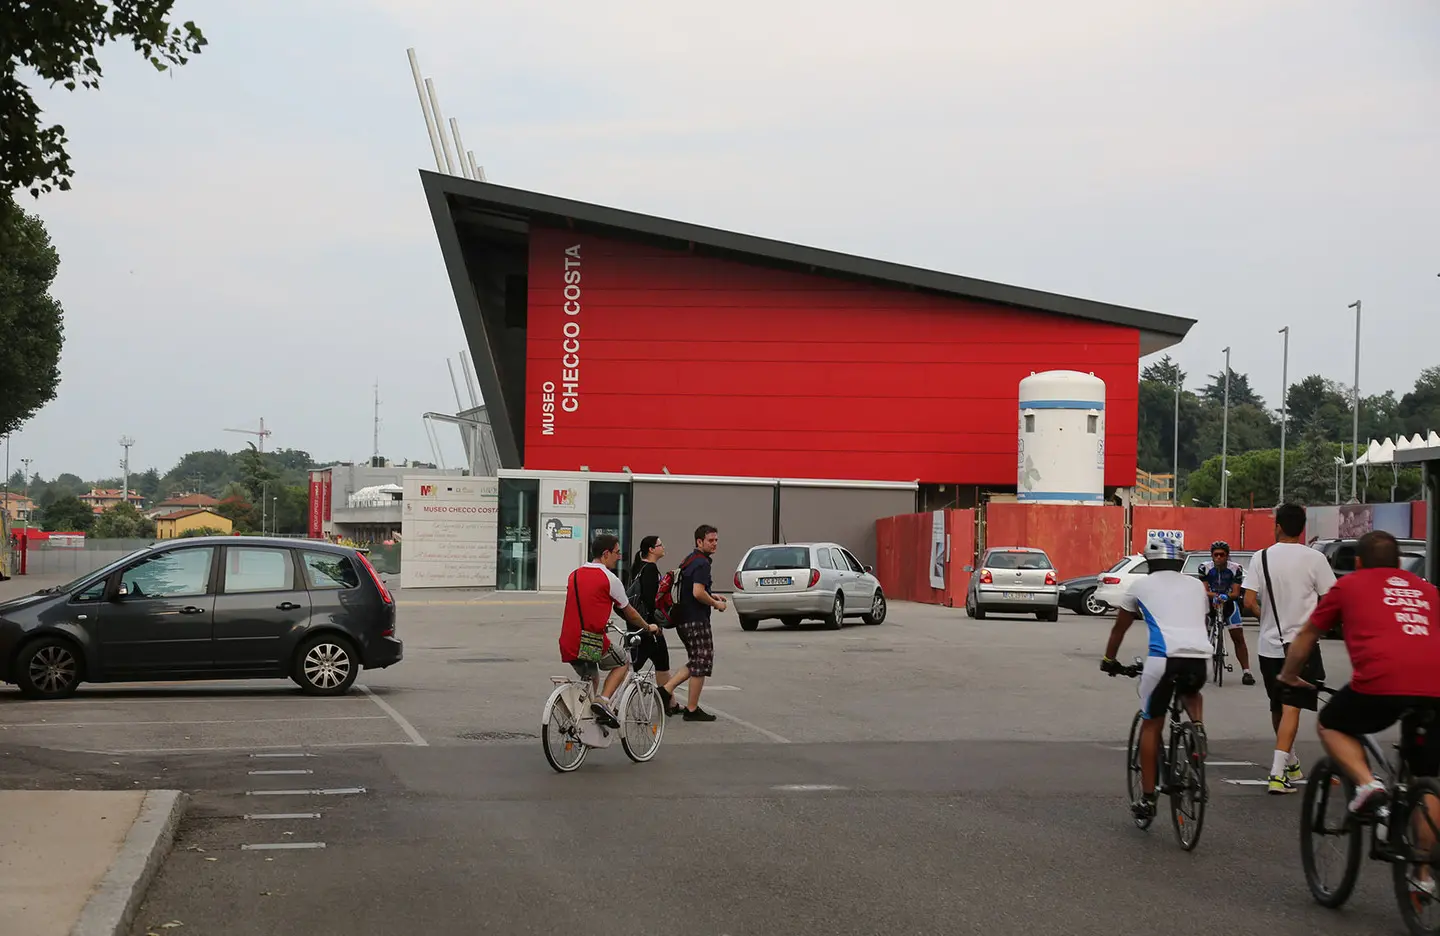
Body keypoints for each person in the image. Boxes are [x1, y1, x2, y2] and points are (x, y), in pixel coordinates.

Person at [1278, 530, 1440, 814]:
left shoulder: (1349, 585)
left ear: (1358, 563)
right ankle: (1425, 858)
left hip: (1383, 684)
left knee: (1331, 723)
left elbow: (1306, 636)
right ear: (1399, 562)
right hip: (1435, 688)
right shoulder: (1428, 590)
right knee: (1423, 777)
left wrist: (1289, 676)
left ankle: (1367, 785)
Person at [1102, 534, 1211, 822]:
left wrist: (1109, 660)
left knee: (1151, 725)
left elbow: (1119, 630)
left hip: (1164, 660)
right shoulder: (1197, 586)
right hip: (1199, 657)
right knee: (1191, 690)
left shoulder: (1140, 585)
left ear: (1150, 561)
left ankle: (1148, 799)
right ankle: (1197, 729)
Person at [1243, 503, 1337, 794]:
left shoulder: (1261, 557)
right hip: (1302, 646)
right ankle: (1276, 774)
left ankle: (1291, 764)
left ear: (1278, 526)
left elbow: (1248, 601)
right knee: (1292, 708)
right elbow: (1331, 600)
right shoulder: (1315, 559)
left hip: (1269, 645)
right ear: (1303, 527)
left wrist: (1268, 618)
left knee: (1277, 705)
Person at [559, 533, 661, 728]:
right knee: (623, 661)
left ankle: (581, 723)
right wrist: (648, 627)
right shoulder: (609, 578)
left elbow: (586, 602)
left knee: (592, 679)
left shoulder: (575, 574)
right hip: (590, 641)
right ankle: (604, 701)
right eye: (617, 552)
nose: (619, 556)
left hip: (568, 640)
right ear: (606, 554)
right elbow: (629, 612)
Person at [661, 524, 727, 722]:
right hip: (695, 620)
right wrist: (716, 603)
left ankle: (685, 703)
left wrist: (711, 594)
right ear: (700, 541)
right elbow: (697, 592)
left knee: (697, 661)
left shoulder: (689, 560)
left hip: (683, 619)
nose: (715, 544)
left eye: (716, 540)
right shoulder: (702, 564)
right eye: (710, 540)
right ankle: (671, 693)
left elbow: (693, 589)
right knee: (702, 661)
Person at [629, 535, 680, 716]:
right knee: (638, 665)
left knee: (659, 662)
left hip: (636, 623)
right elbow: (651, 600)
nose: (663, 547)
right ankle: (668, 701)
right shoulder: (650, 569)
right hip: (648, 627)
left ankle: (671, 702)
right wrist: (654, 624)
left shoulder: (638, 567)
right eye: (660, 545)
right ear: (651, 549)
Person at [1197, 540, 1255, 685]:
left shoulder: (1236, 568)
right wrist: (1215, 596)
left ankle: (1247, 672)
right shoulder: (1204, 567)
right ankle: (1199, 669)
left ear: (1227, 556)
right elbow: (1204, 591)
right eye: (1215, 555)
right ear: (1211, 555)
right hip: (1210, 603)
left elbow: (1235, 593)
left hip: (1229, 603)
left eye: (1222, 555)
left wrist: (1225, 596)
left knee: (1238, 638)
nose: (1218, 558)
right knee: (1201, 635)